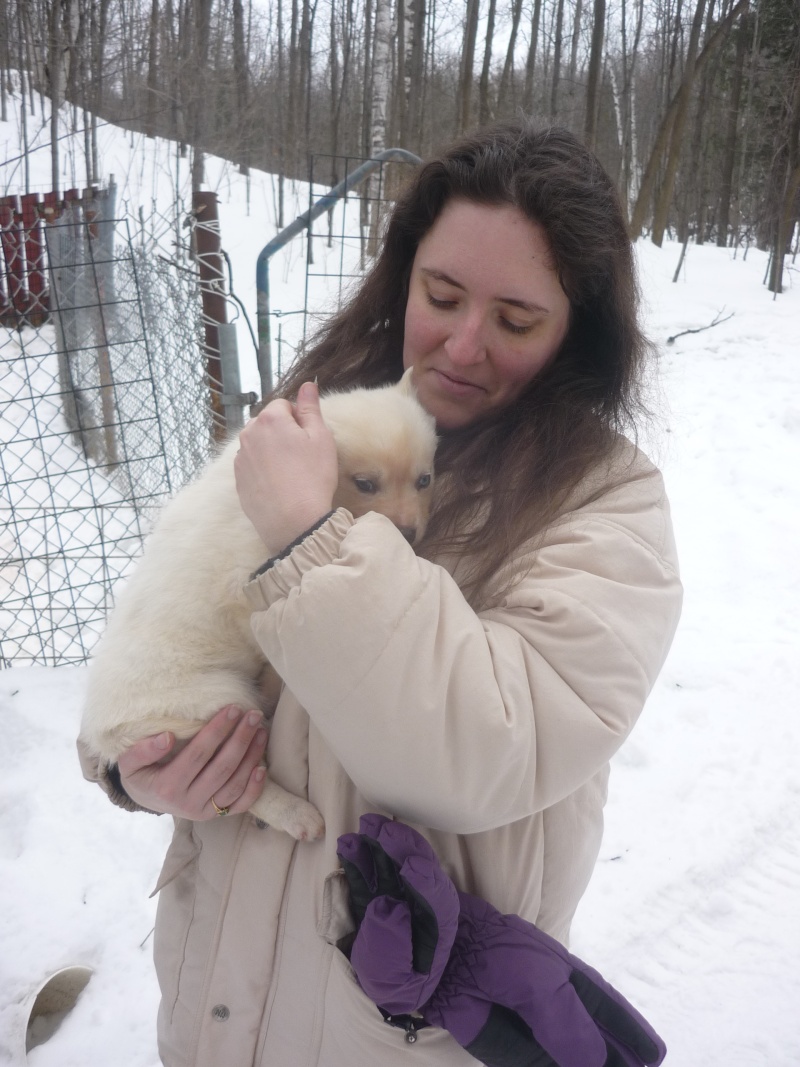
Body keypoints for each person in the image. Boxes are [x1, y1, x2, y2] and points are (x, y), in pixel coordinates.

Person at [79, 122, 682, 1067]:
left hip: (401, 1032)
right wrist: (137, 764)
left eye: (516, 319)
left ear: (578, 334)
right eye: (440, 296)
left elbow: (481, 750)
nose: (462, 345)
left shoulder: (607, 508)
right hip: (218, 1010)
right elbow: (171, 612)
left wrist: (310, 540)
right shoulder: (332, 421)